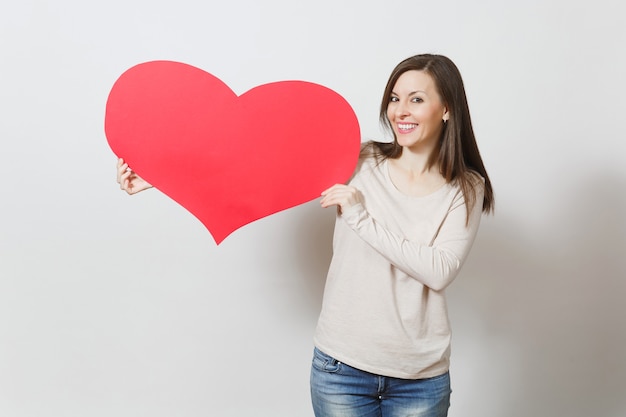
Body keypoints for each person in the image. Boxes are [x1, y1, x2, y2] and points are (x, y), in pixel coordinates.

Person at [116, 53, 494, 417]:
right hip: (342, 369)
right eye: (395, 98)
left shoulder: (465, 187)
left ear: (446, 109)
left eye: (416, 99)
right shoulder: (360, 160)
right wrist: (159, 179)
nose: (400, 111)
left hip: (420, 377)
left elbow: (439, 270)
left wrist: (361, 218)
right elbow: (253, 167)